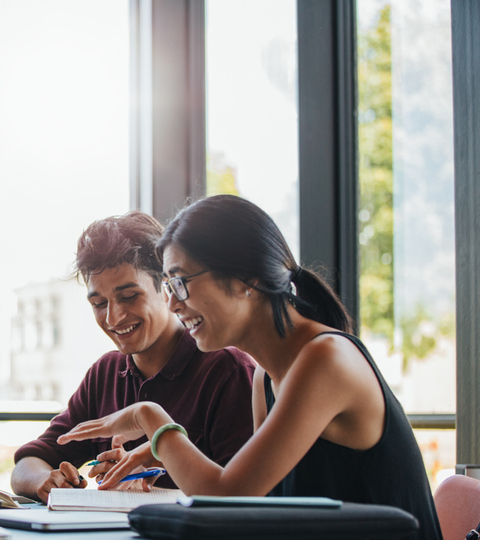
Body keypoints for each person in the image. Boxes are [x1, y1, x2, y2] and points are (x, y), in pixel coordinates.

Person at [58, 195, 441, 540]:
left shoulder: (325, 359)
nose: (173, 304)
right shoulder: (265, 378)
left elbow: (226, 496)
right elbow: (254, 510)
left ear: (246, 279)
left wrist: (151, 419)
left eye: (181, 283)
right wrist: (164, 454)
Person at [10, 211, 257, 503]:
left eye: (129, 297)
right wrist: (46, 481)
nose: (113, 317)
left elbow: (242, 497)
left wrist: (154, 471)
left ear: (167, 288)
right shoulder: (106, 373)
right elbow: (29, 462)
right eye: (99, 303)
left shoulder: (227, 371)